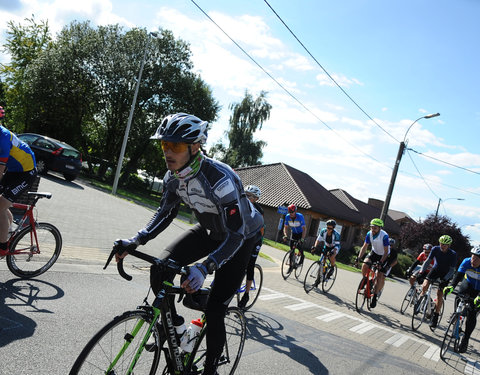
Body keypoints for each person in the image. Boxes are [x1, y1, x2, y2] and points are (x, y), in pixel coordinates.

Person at [114, 113, 264, 375]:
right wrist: (135, 240)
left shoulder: (220, 179)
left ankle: (210, 369)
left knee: (217, 309)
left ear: (195, 147)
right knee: (160, 267)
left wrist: (205, 268)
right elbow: (165, 213)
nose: (168, 152)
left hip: (240, 237)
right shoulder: (173, 177)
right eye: (164, 145)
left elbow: (236, 234)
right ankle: (178, 330)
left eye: (176, 146)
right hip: (209, 230)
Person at [0, 106, 37, 251]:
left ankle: (2, 247)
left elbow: (0, 170)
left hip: (26, 173)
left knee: (0, 205)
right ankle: (8, 229)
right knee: (2, 205)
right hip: (14, 170)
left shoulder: (2, 138)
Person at [443, 246, 480, 353]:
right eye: (473, 257)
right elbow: (457, 277)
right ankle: (457, 314)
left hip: (478, 290)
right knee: (459, 295)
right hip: (468, 283)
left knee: (472, 313)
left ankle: (466, 339)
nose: (473, 260)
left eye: (477, 259)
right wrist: (451, 286)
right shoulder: (466, 262)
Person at [418, 234, 457, 329]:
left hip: (445, 273)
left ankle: (435, 316)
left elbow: (452, 270)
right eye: (441, 243)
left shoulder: (452, 254)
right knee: (425, 284)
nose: (442, 246)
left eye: (445, 244)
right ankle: (420, 299)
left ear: (449, 246)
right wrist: (421, 271)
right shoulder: (435, 249)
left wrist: (444, 280)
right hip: (435, 270)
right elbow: (428, 261)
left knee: (440, 294)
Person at [238, 184, 264, 309]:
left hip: (255, 240)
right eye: (245, 195)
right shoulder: (241, 206)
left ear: (255, 199)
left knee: (249, 265)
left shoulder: (259, 211)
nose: (246, 197)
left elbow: (261, 232)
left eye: (249, 196)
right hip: (243, 238)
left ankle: (246, 294)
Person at [356, 218, 389, 309]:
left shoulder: (384, 236)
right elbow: (364, 246)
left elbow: (386, 252)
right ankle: (365, 279)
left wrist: (381, 262)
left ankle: (375, 296)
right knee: (365, 264)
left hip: (383, 255)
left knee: (379, 275)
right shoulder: (369, 234)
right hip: (374, 253)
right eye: (371, 227)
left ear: (379, 228)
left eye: (375, 228)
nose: (373, 230)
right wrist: (359, 257)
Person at [283, 204, 306, 270]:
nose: (291, 214)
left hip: (300, 233)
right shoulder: (287, 217)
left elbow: (304, 229)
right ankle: (290, 267)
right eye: (289, 212)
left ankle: (302, 257)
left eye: (292, 212)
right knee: (292, 250)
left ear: (295, 211)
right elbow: (285, 227)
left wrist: (302, 238)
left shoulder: (300, 216)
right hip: (294, 233)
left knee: (299, 246)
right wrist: (285, 235)